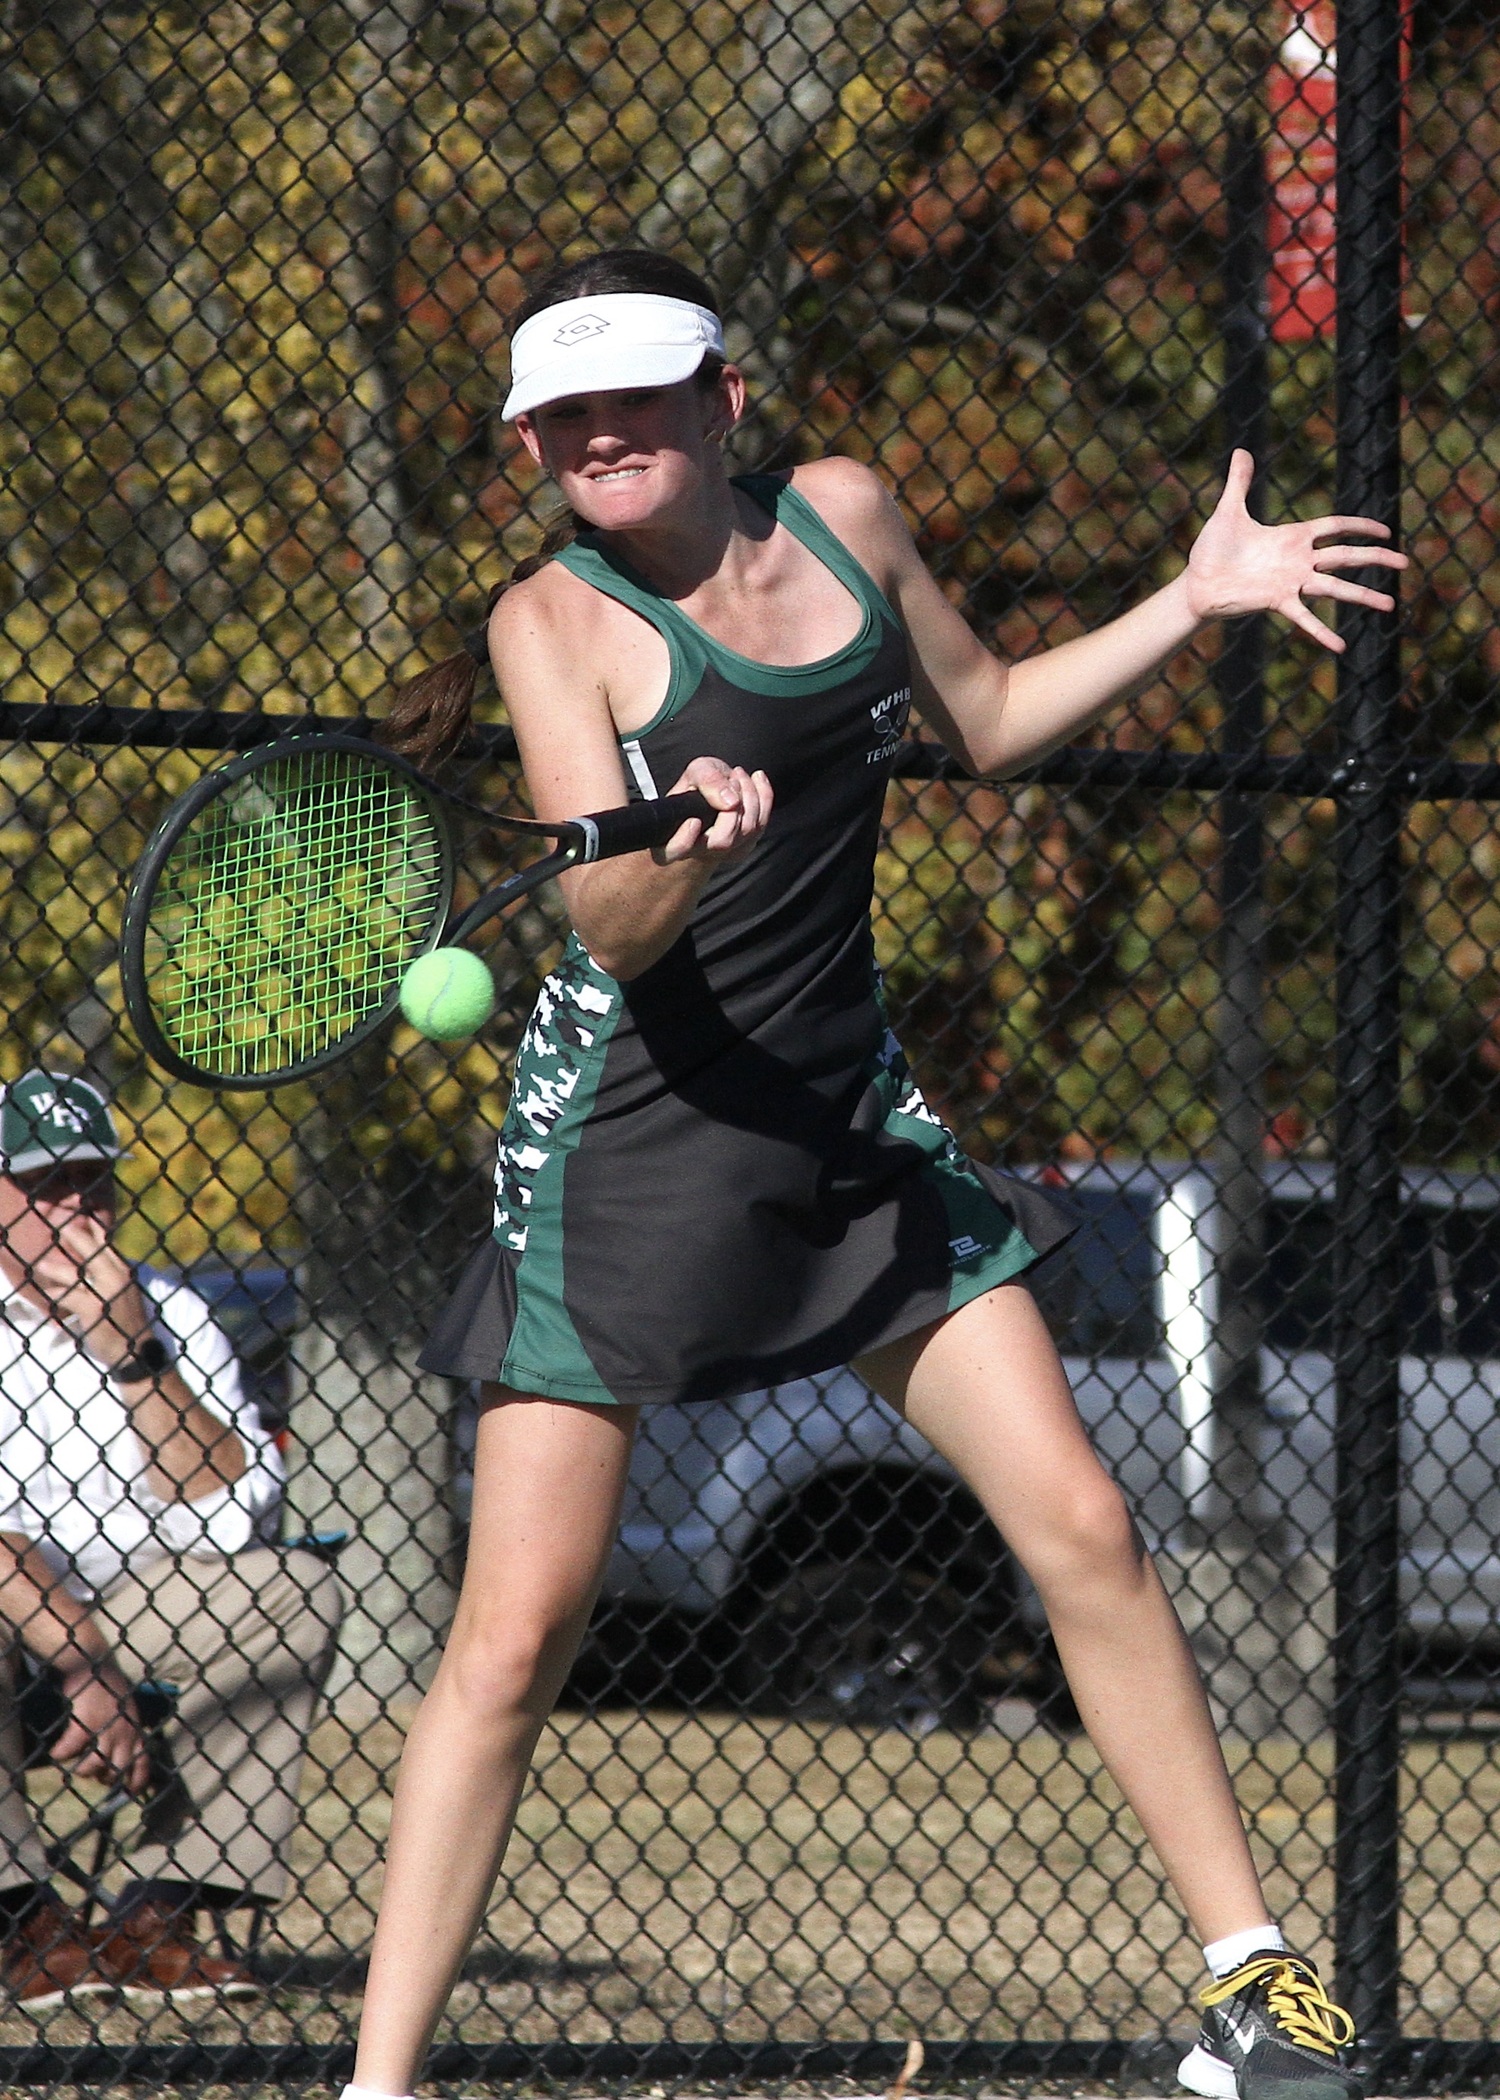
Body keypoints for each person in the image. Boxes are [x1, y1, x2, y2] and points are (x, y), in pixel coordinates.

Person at [341, 248, 1405, 2100]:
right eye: (562, 416)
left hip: (850, 1133)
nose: (599, 435)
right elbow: (609, 920)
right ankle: (378, 2086)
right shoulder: (554, 625)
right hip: (628, 1158)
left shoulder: (843, 520)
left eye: (634, 399)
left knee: (1083, 1521)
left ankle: (1252, 1990)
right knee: (512, 1641)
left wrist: (1195, 597)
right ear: (533, 445)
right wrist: (681, 849)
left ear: (722, 403)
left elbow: (985, 719)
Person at [0, 1068, 343, 2007]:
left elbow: (227, 1518)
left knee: (297, 1590)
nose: (78, 1207)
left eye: (94, 1179)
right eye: (43, 1185)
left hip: (145, 1606)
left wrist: (133, 1354)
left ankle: (154, 1917)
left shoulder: (170, 1312)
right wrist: (82, 1659)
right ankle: (24, 1924)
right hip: (31, 1623)